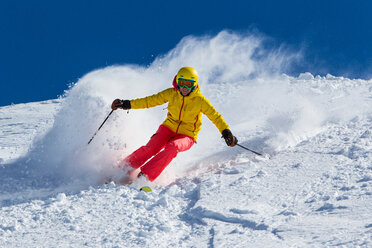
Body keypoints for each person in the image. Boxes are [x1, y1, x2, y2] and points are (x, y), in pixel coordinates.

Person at [111, 67, 237, 183]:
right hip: (168, 128)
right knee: (151, 148)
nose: (184, 87)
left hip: (187, 135)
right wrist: (127, 104)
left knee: (173, 147)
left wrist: (226, 132)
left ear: (194, 85)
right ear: (177, 81)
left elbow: (215, 116)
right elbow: (149, 101)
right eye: (182, 82)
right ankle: (122, 168)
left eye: (189, 84)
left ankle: (144, 177)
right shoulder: (171, 93)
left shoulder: (200, 100)